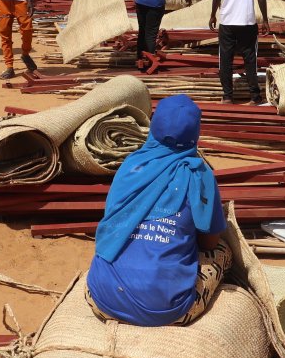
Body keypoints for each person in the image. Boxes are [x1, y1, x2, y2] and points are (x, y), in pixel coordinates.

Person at [86, 94, 229, 327]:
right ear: (195, 132)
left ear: (154, 125)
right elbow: (210, 243)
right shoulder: (200, 175)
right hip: (167, 310)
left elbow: (112, 219)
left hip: (102, 300)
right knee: (224, 251)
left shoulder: (131, 165)